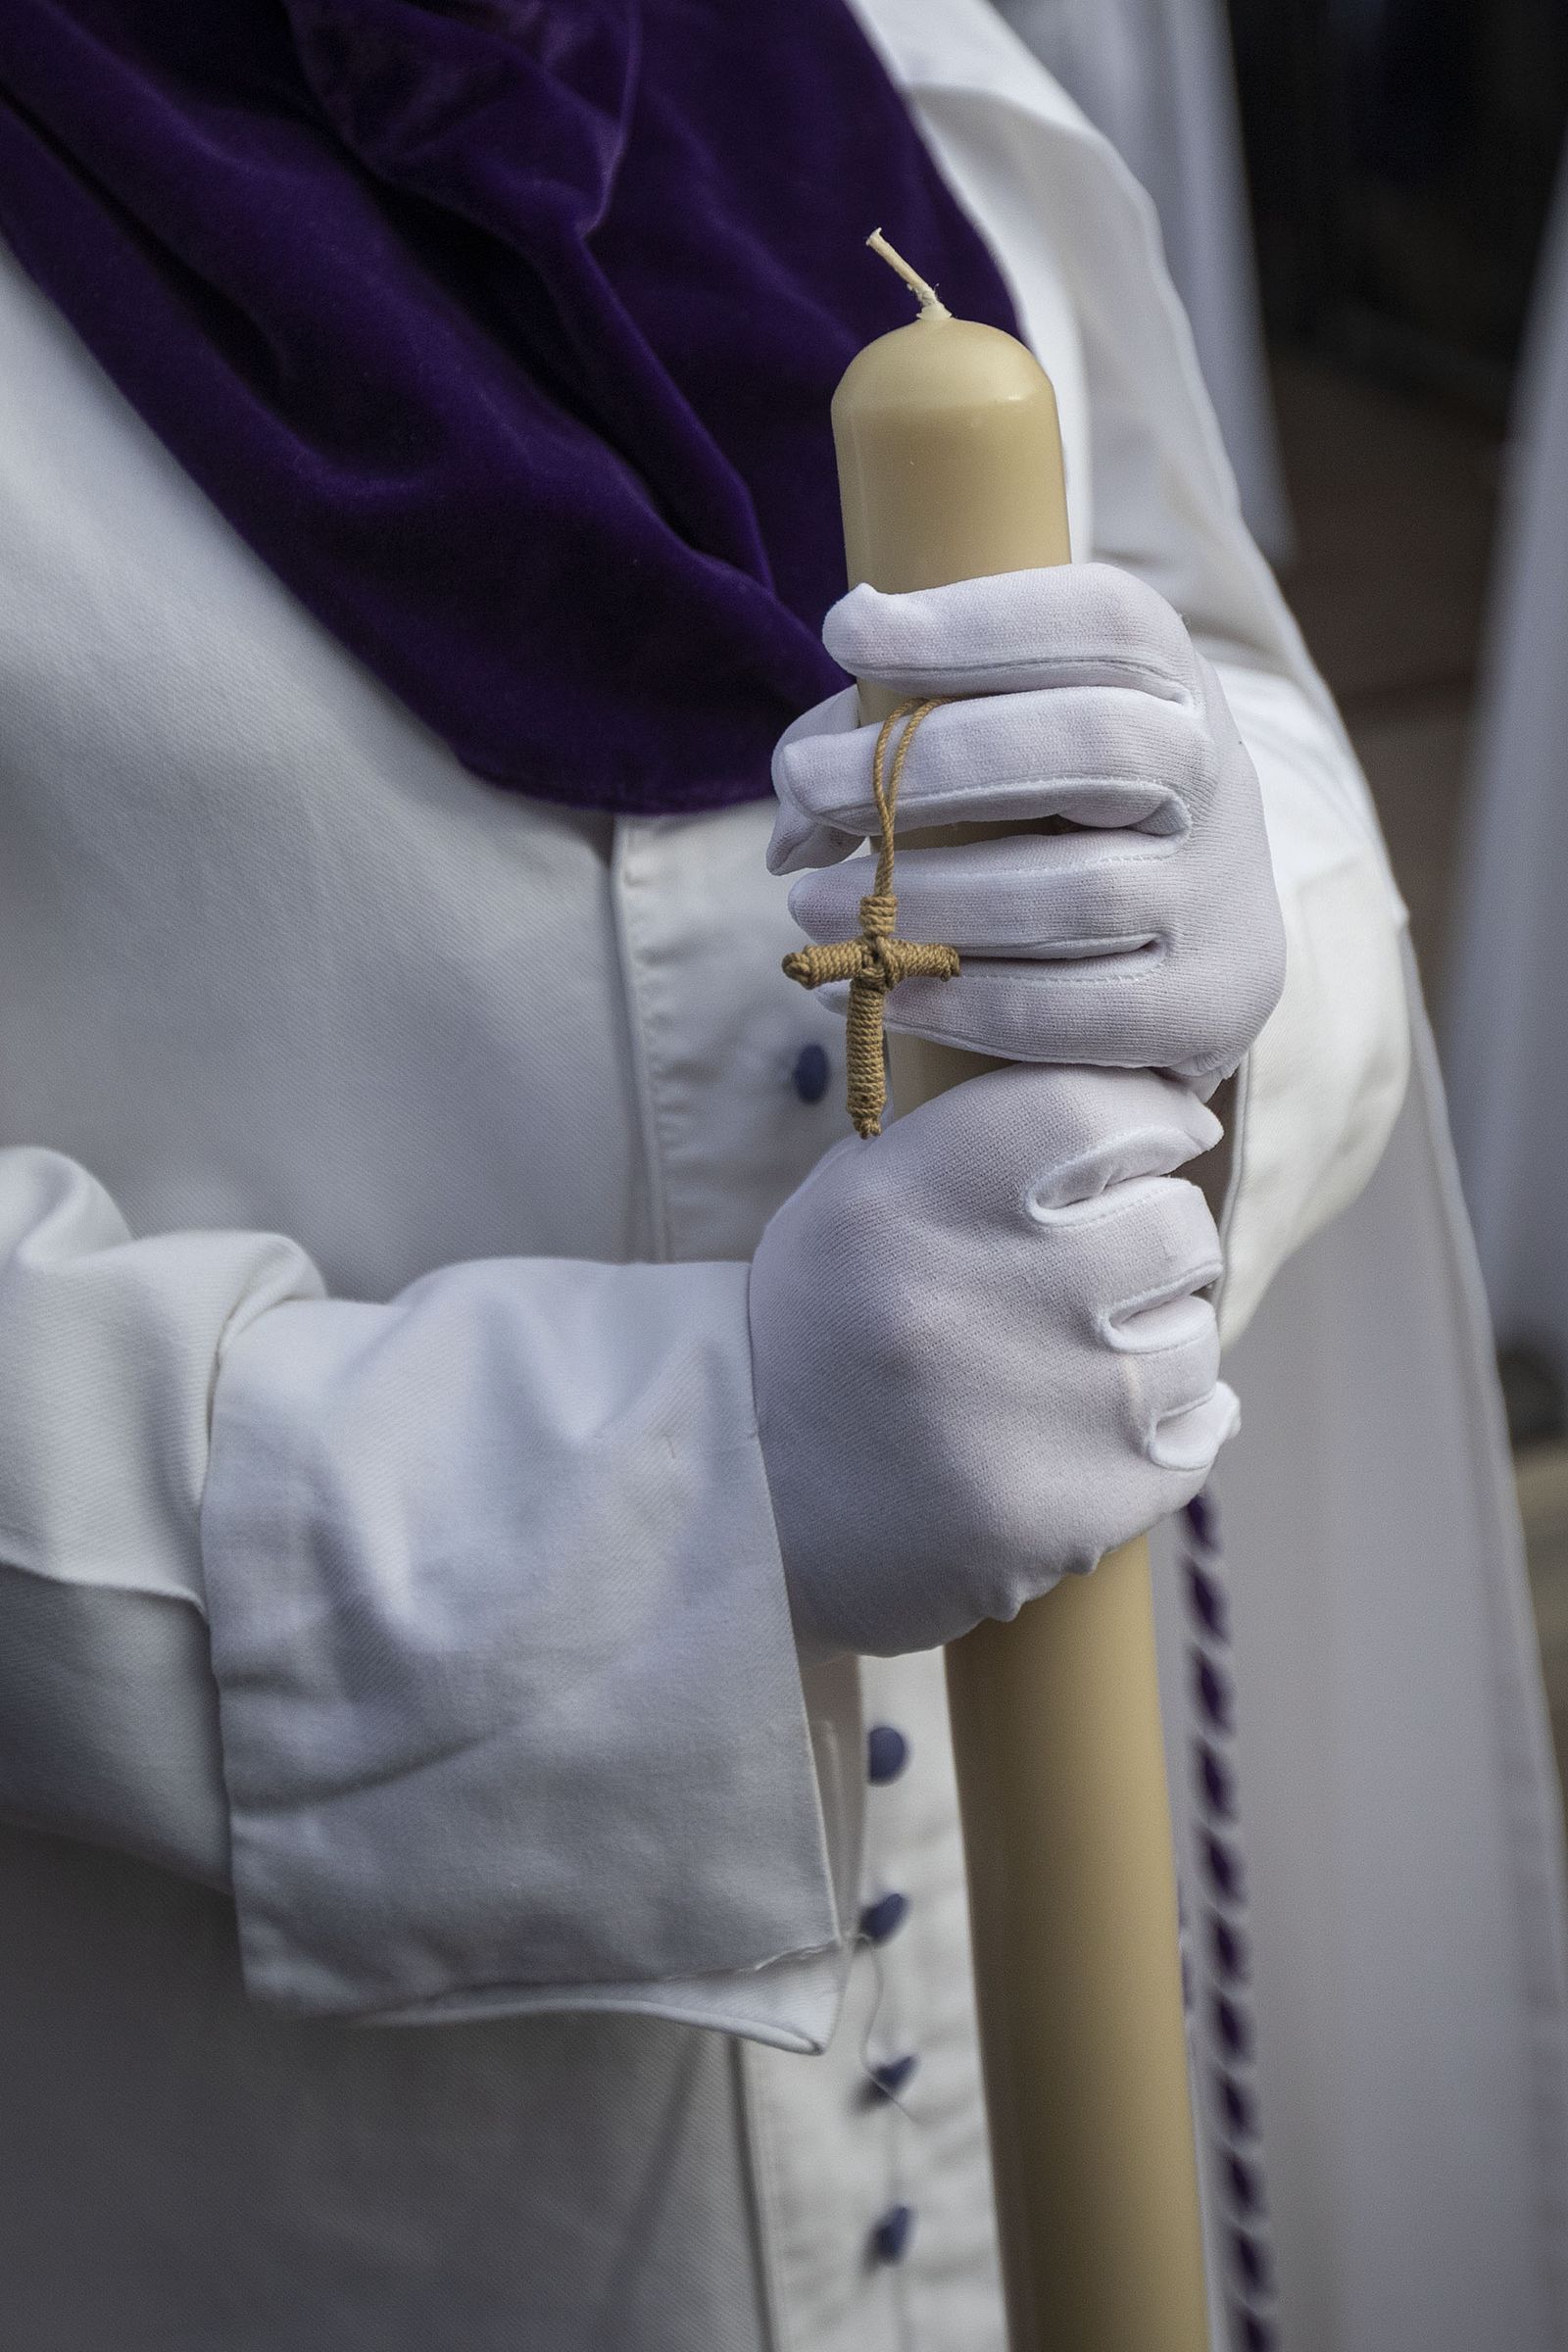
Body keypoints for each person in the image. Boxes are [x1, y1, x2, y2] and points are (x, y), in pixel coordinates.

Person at [0, 4, 1560, 2348]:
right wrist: (666, 1492)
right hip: (375, 2180)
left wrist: (1226, 922)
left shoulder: (855, 50)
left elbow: (1209, 665)